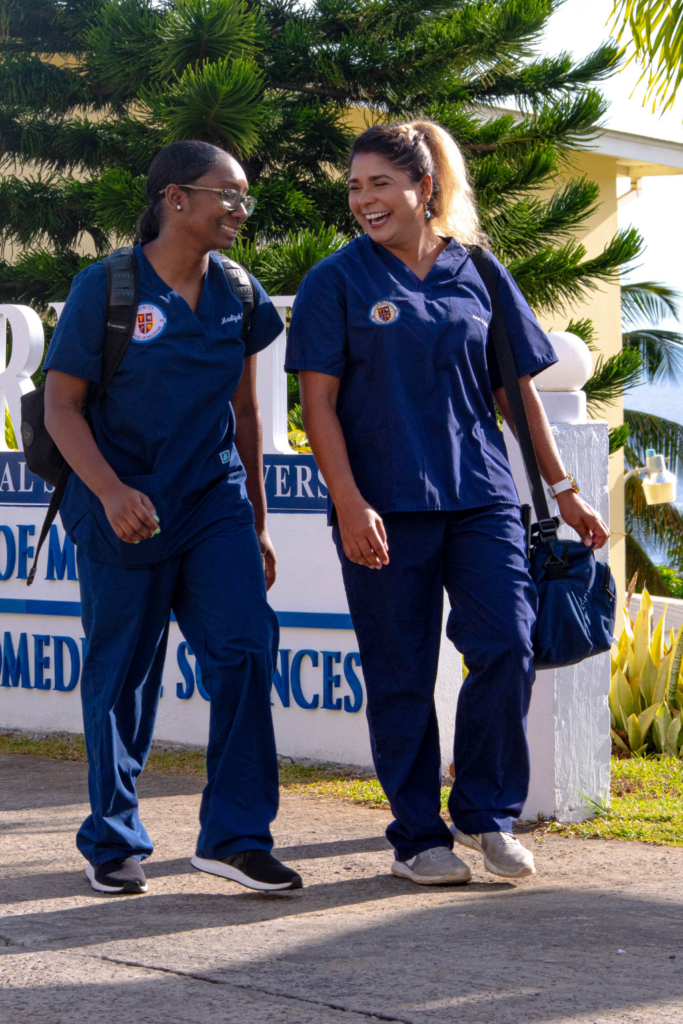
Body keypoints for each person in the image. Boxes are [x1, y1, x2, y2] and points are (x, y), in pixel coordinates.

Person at [285, 121, 609, 885]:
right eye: (356, 186)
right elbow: (317, 406)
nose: (364, 200)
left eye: (380, 185)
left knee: (506, 642)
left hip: (482, 495)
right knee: (398, 669)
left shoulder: (479, 271)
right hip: (382, 503)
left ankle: (485, 814)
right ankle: (415, 837)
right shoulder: (337, 281)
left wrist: (563, 491)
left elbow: (517, 393)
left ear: (423, 188)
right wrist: (348, 501)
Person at [44, 140, 302, 894]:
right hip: (123, 507)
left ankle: (235, 836)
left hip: (212, 504)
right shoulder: (108, 287)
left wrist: (254, 520)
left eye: (244, 196)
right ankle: (114, 839)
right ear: (174, 199)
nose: (239, 210)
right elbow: (62, 408)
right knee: (122, 673)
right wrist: (111, 492)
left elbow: (247, 413)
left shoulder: (240, 292)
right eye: (226, 194)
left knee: (247, 647)